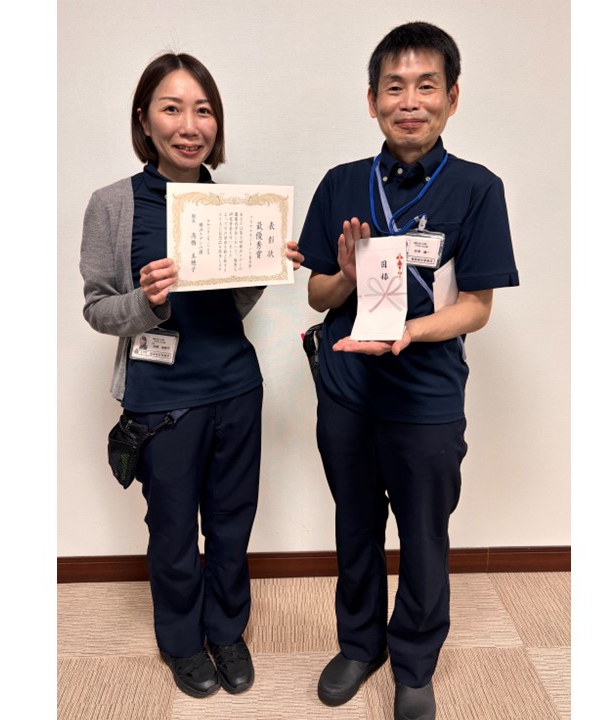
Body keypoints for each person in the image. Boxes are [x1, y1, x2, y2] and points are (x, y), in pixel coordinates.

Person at [298, 22, 518, 720]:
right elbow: (318, 295)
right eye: (395, 87)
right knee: (355, 524)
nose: (410, 101)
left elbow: (477, 307)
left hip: (426, 396)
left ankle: (415, 662)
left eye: (427, 86)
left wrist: (412, 332)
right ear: (372, 101)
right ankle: (359, 644)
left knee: (423, 535)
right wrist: (344, 272)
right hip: (347, 391)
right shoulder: (341, 183)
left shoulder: (477, 189)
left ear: (452, 98)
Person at [79, 52, 302, 699]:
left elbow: (230, 308)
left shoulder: (235, 204)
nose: (189, 124)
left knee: (232, 523)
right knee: (173, 530)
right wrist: (148, 301)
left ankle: (226, 631)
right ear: (144, 120)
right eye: (172, 108)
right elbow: (97, 309)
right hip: (162, 401)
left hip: (236, 386)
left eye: (203, 110)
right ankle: (181, 640)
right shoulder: (113, 204)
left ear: (217, 123)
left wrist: (266, 265)